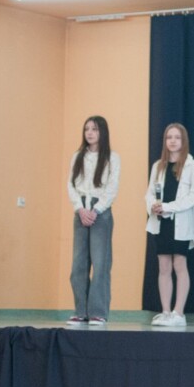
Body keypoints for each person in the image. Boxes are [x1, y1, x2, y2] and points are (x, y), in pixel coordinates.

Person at [145, 123, 194, 327]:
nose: (172, 141)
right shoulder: (158, 166)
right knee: (163, 266)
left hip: (181, 223)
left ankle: (178, 313)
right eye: (169, 137)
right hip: (161, 223)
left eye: (177, 137)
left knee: (179, 264)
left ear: (183, 141)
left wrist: (168, 207)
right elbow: (149, 193)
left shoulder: (193, 167)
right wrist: (153, 206)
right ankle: (165, 311)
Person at [66, 115, 120, 327]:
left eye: (94, 129)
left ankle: (98, 312)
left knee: (100, 264)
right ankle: (80, 311)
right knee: (78, 264)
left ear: (102, 132)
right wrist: (80, 209)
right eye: (87, 129)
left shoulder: (112, 158)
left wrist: (96, 210)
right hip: (80, 210)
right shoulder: (77, 156)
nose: (89, 133)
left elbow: (112, 188)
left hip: (101, 212)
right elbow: (71, 185)